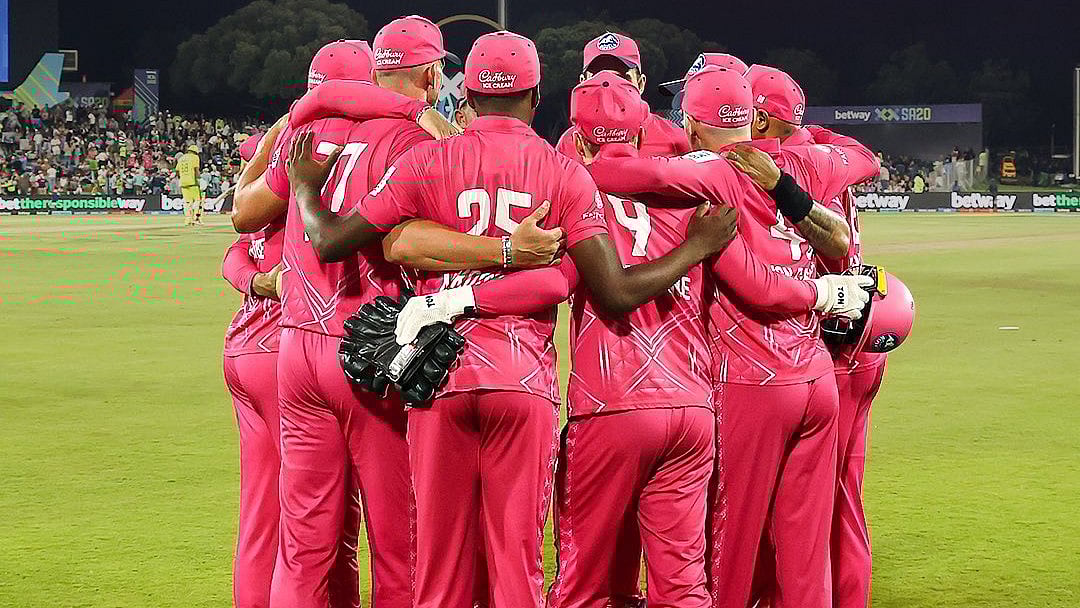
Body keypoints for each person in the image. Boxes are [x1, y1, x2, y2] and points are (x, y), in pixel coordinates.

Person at [287, 31, 738, 608]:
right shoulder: (565, 173)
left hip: (438, 375)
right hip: (525, 381)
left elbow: (330, 242)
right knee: (516, 566)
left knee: (440, 569)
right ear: (536, 96)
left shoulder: (426, 160)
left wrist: (304, 188)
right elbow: (596, 286)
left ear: (466, 93)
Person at [248, 33, 561, 608]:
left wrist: (299, 117)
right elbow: (402, 243)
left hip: (295, 347)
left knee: (303, 544)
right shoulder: (417, 140)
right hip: (372, 351)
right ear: (431, 74)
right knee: (401, 546)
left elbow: (243, 213)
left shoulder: (305, 133)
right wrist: (508, 254)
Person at [584, 66, 858, 608]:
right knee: (805, 556)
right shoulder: (804, 162)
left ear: (690, 118)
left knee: (726, 552)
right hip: (817, 378)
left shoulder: (705, 173)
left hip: (752, 380)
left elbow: (615, 178)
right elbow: (860, 164)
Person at [220, 218, 284, 608]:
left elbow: (233, 255)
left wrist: (254, 282)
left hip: (242, 347)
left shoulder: (261, 202)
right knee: (311, 514)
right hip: (284, 354)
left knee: (261, 509)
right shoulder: (311, 193)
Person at [555, 32, 690, 162]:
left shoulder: (675, 139)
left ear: (641, 84)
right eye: (598, 78)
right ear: (582, 82)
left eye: (621, 78)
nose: (610, 87)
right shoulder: (568, 143)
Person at [176, 144, 202, 225]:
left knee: (187, 202)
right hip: (192, 182)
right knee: (197, 201)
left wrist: (181, 177)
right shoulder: (195, 157)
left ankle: (187, 220)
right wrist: (199, 179)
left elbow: (177, 171)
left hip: (183, 182)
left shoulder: (181, 158)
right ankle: (196, 218)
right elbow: (196, 169)